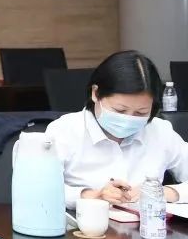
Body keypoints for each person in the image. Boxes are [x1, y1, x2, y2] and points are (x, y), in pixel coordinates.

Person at [49, 50, 188, 207]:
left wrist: (166, 192)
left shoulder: (160, 131)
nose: (129, 119)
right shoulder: (63, 131)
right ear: (96, 93)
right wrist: (91, 196)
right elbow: (40, 188)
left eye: (141, 112)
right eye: (120, 110)